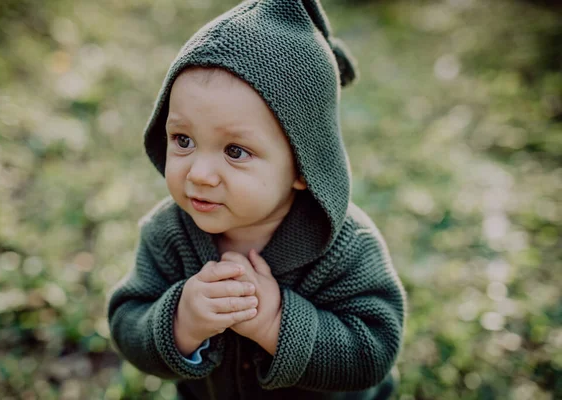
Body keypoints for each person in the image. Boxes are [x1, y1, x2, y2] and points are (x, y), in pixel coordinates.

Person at [106, 0, 406, 399]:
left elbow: (374, 352)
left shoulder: (347, 246)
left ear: (304, 166)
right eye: (183, 140)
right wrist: (182, 321)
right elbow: (128, 322)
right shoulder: (168, 234)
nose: (199, 173)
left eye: (234, 151)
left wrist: (276, 321)